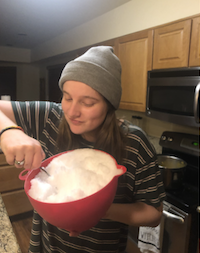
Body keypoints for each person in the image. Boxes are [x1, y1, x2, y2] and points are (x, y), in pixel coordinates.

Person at [0, 46, 165, 253]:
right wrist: (8, 131)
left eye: (87, 103)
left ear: (109, 105)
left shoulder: (133, 143)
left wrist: (97, 210)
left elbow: (153, 213)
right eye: (67, 97)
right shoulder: (51, 117)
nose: (71, 111)